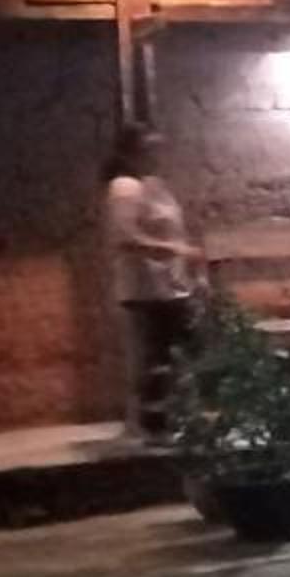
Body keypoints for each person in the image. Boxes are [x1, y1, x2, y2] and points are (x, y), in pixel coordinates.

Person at [102, 123, 200, 441]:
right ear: (132, 153)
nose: (156, 155)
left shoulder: (153, 185)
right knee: (155, 359)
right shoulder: (125, 188)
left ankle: (176, 421)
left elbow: (171, 227)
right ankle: (153, 428)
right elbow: (125, 237)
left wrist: (188, 267)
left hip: (170, 285)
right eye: (149, 149)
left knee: (177, 354)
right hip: (147, 288)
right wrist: (173, 250)